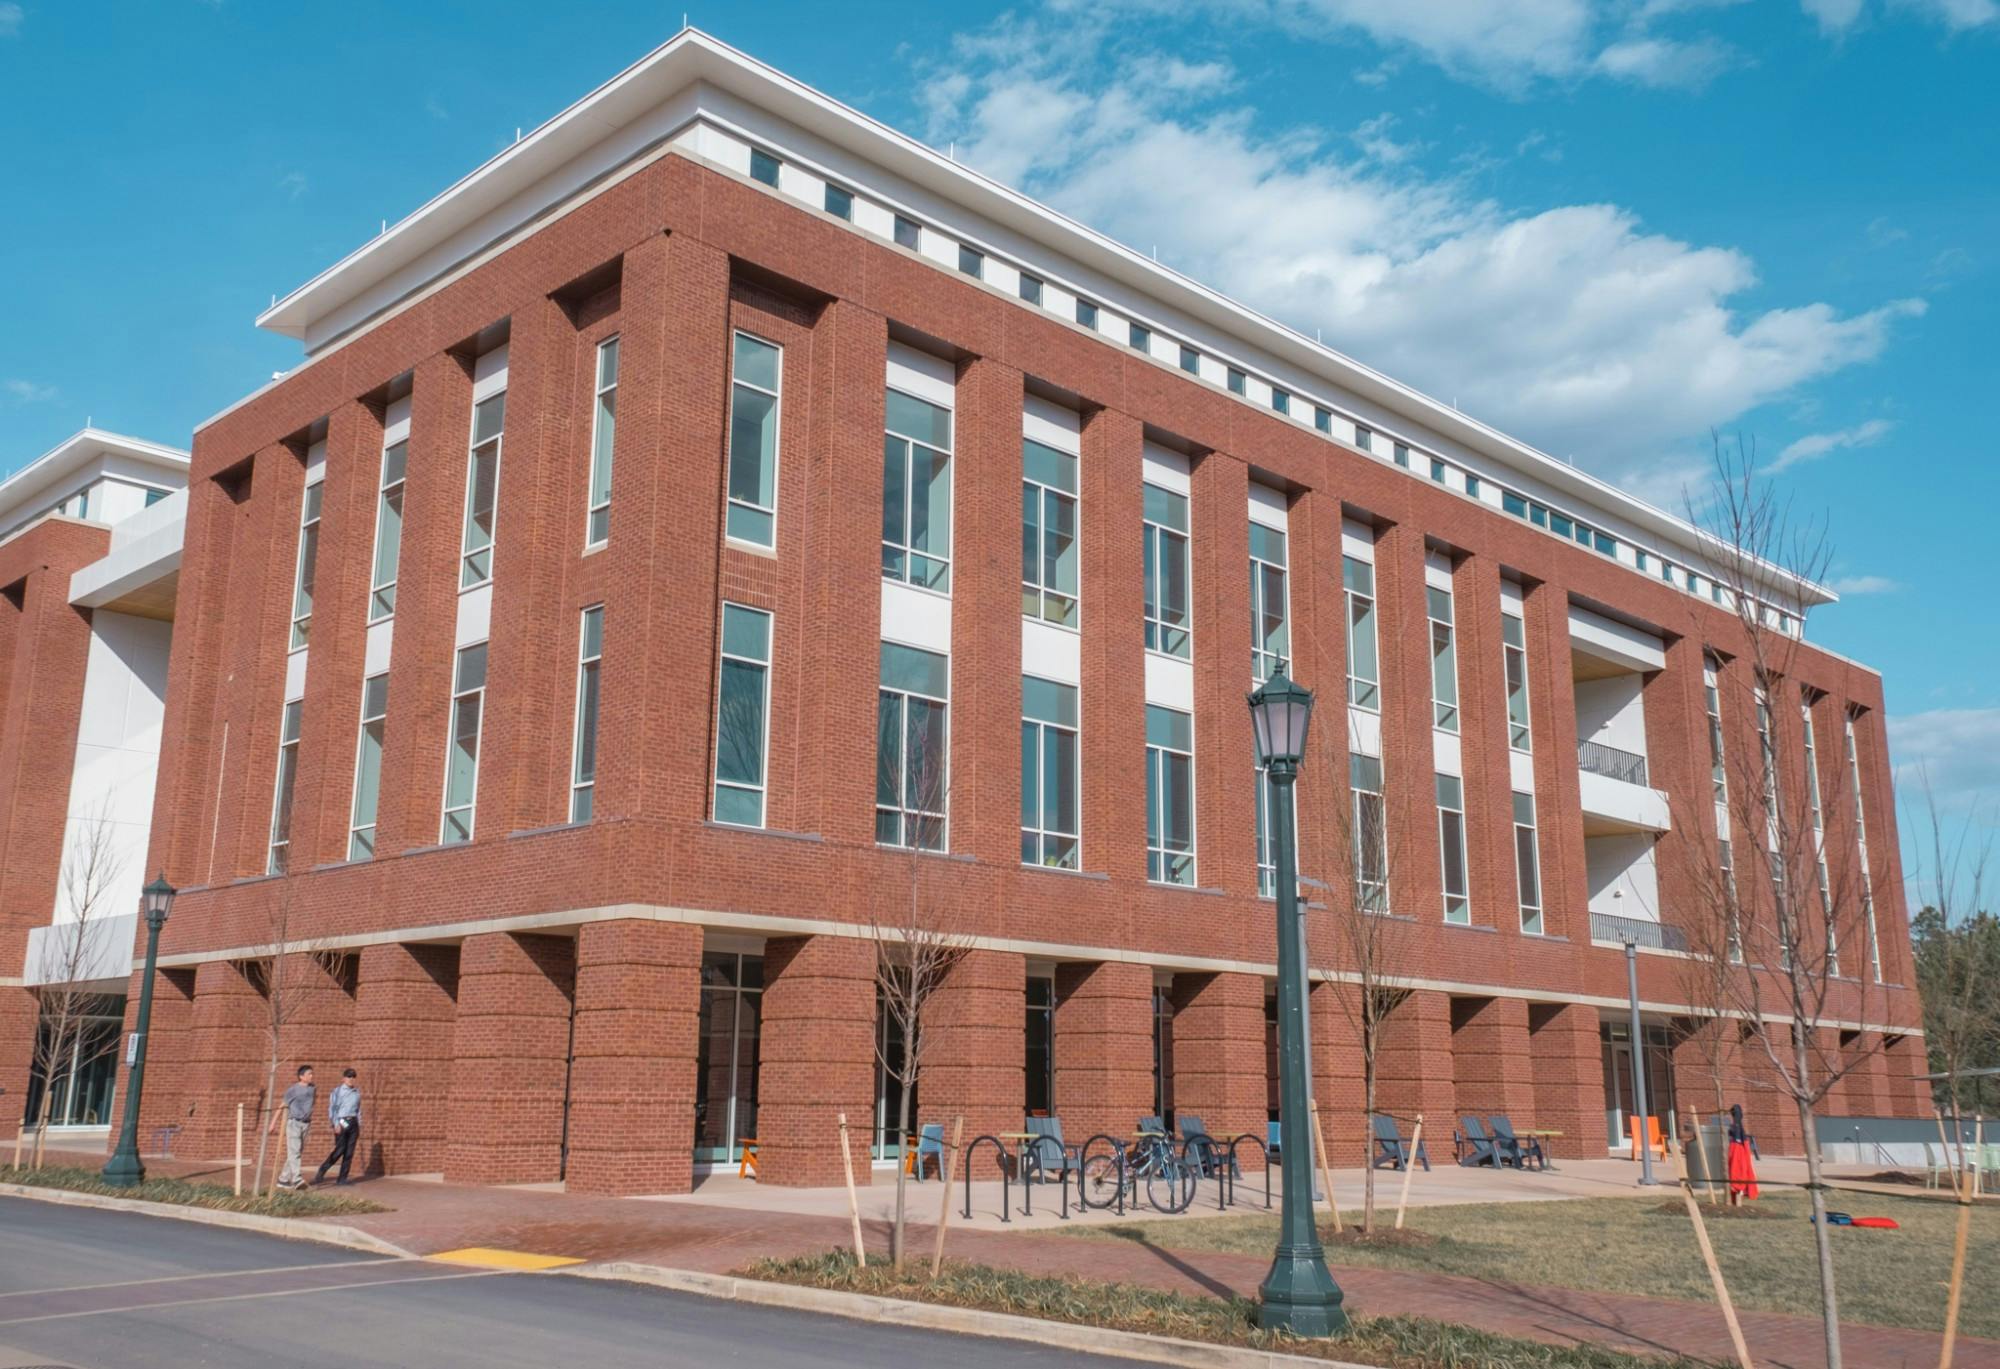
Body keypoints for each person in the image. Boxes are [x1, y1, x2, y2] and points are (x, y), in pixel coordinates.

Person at [314, 1068, 362, 1186]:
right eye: (349, 1076)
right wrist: (335, 1124)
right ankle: (323, 1169)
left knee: (349, 1152)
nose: (351, 1079)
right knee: (340, 1149)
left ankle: (342, 1179)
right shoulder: (338, 1091)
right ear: (344, 1078)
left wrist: (359, 1123)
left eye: (353, 1076)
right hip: (342, 1121)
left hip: (353, 1122)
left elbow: (358, 1109)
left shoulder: (356, 1092)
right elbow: (333, 1108)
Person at [271, 1064, 314, 1190]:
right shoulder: (293, 1090)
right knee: (294, 1151)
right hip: (294, 1123)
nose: (311, 1076)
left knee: (296, 1153)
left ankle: (283, 1180)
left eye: (312, 1073)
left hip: (306, 1123)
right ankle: (297, 1178)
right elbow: (282, 1105)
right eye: (309, 1074)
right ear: (301, 1076)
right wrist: (273, 1123)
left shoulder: (312, 1088)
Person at [1726, 1102, 1760, 1204]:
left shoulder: (1736, 1127)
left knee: (1738, 1168)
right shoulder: (1737, 1127)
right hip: (1738, 1148)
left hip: (1737, 1148)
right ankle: (1739, 1189)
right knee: (1740, 1168)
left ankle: (1739, 1189)